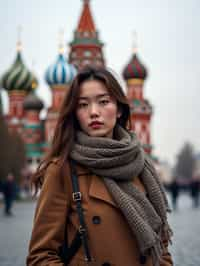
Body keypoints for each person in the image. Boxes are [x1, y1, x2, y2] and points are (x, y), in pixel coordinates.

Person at [27, 66, 173, 266]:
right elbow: (41, 256)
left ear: (119, 108)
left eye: (103, 102)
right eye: (83, 105)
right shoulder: (62, 170)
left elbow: (161, 246)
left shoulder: (141, 166)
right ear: (74, 113)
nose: (94, 112)